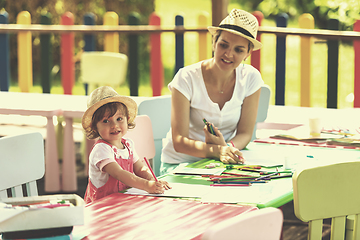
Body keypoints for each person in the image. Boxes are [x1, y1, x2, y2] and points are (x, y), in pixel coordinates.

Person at [160, 9, 264, 175]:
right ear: (214, 43)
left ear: (248, 54)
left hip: (222, 165)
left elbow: (245, 133)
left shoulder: (251, 78)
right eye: (224, 45)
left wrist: (227, 149)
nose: (228, 54)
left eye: (239, 50)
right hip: (181, 166)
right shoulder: (186, 77)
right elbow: (179, 142)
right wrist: (218, 151)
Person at [82, 86, 170, 203]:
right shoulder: (101, 149)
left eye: (119, 119)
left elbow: (140, 168)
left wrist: (153, 180)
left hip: (122, 201)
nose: (114, 125)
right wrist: (147, 185)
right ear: (95, 127)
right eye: (106, 121)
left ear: (127, 119)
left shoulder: (128, 144)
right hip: (102, 206)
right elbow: (119, 174)